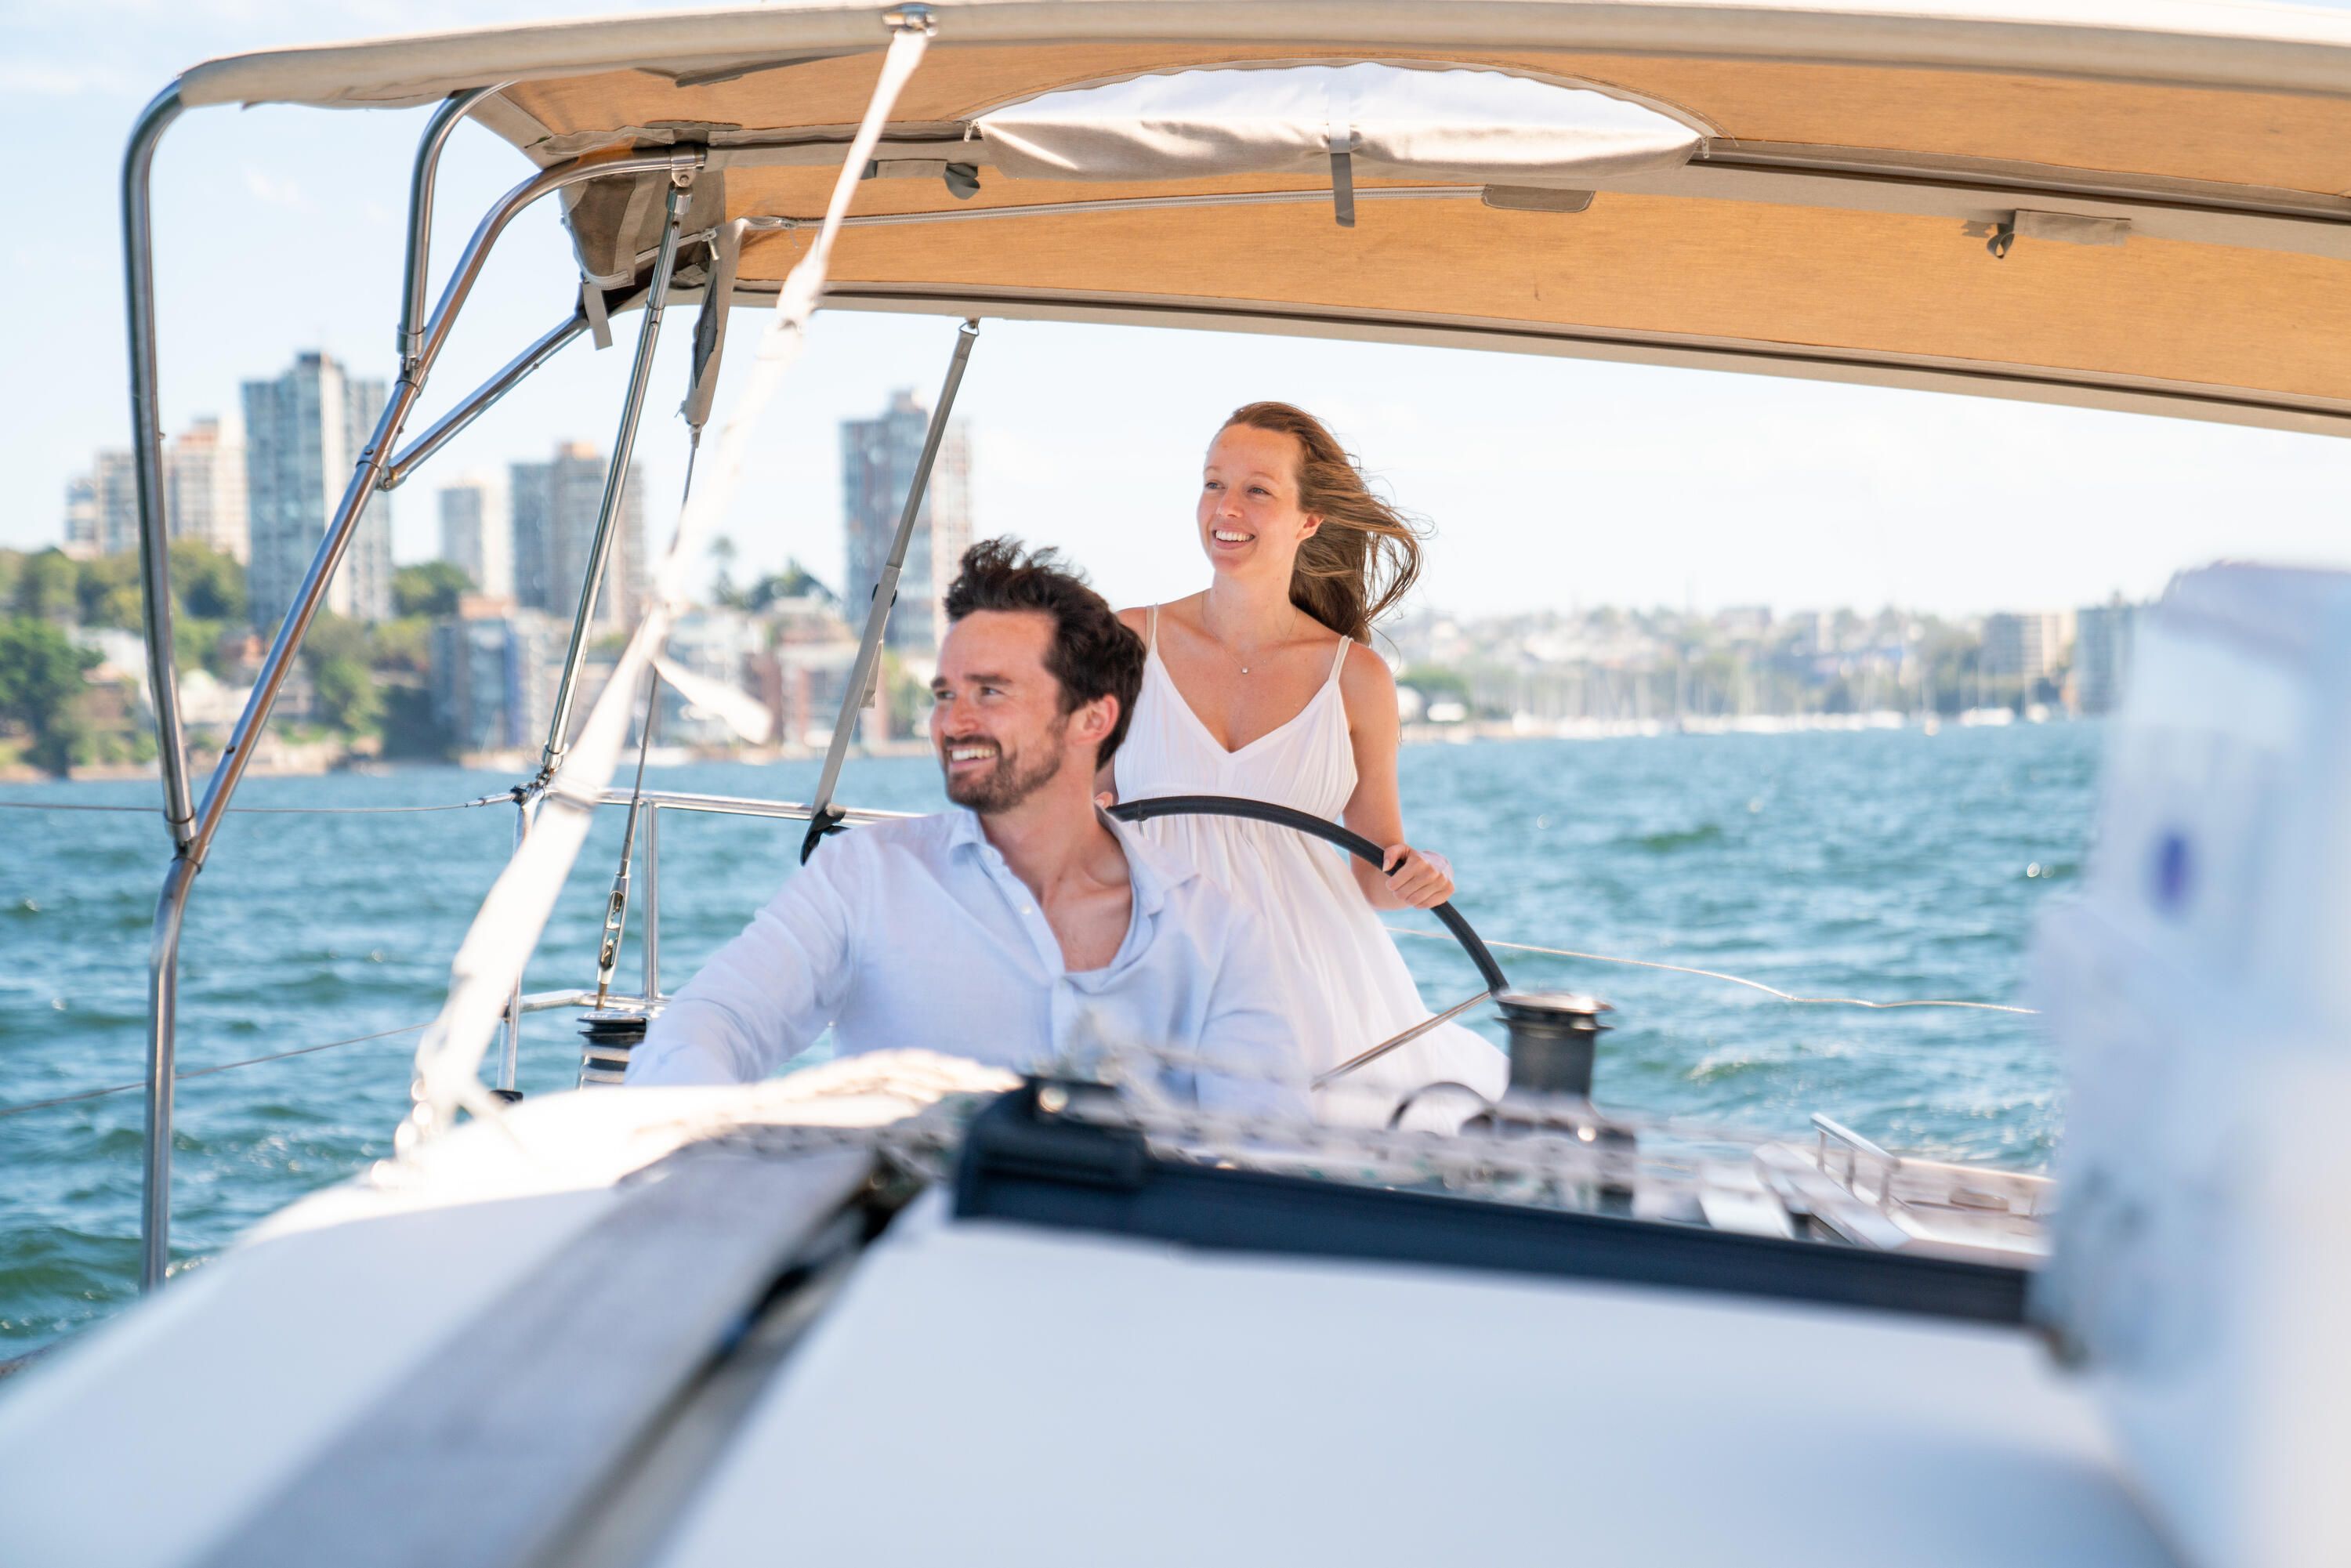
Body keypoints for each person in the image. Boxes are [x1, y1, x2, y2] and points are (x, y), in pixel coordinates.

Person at [629, 539, 1304, 1117]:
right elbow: (718, 1021)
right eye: (946, 694)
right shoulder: (862, 878)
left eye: (990, 691)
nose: (953, 722)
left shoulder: (1216, 930)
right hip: (908, 1254)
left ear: (1091, 719)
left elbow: (1262, 1152)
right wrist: (706, 1133)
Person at [1100, 401, 1507, 1126]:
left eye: (1258, 489)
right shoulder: (1128, 640)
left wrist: (1421, 872)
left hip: (1315, 993)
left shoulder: (1357, 679)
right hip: (1157, 977)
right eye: (1213, 482)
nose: (1226, 507)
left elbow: (1376, 871)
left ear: (1308, 520)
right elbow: (1083, 813)